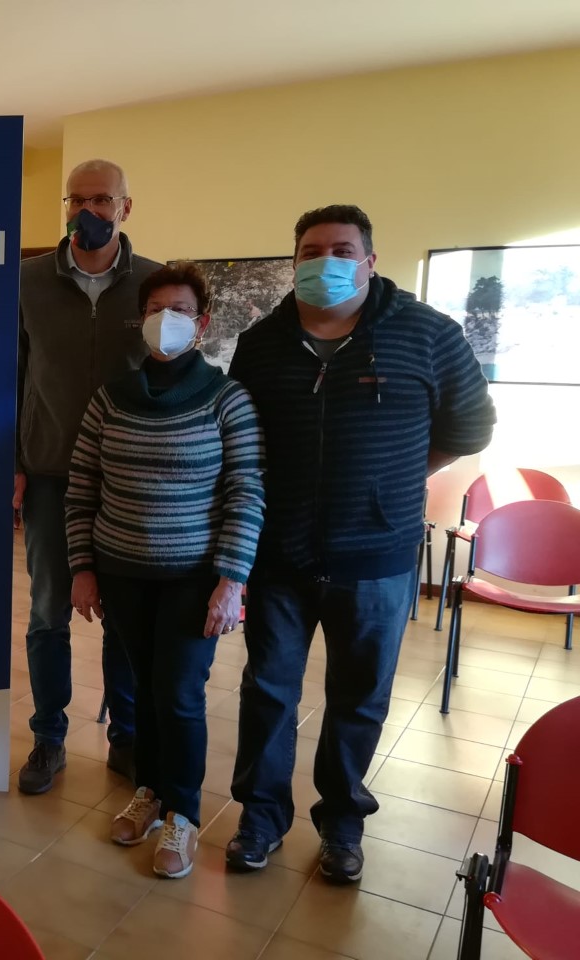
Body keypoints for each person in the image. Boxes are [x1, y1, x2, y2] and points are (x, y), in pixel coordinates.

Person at [226, 205, 496, 882]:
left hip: (377, 556)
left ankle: (342, 825)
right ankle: (260, 818)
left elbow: (471, 425)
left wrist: (397, 477)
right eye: (311, 251)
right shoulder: (261, 343)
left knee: (359, 698)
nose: (326, 261)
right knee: (268, 693)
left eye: (342, 250)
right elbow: (241, 436)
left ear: (371, 262)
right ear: (295, 261)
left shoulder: (428, 334)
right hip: (280, 553)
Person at [66, 263, 264, 878]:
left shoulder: (227, 400)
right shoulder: (111, 398)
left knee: (177, 695)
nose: (165, 320)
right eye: (155, 309)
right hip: (122, 572)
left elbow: (246, 491)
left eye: (178, 310)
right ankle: (149, 792)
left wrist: (232, 579)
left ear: (201, 324)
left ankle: (183, 814)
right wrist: (82, 567)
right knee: (141, 689)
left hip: (193, 579)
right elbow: (82, 486)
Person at [14, 159, 162, 795]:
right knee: (48, 611)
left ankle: (125, 738)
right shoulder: (27, 282)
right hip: (50, 473)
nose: (88, 212)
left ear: (125, 207)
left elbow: (172, 376)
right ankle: (49, 737)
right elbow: (10, 375)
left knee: (123, 615)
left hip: (128, 479)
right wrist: (14, 461)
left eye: (101, 200)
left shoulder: (154, 283)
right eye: (76, 199)